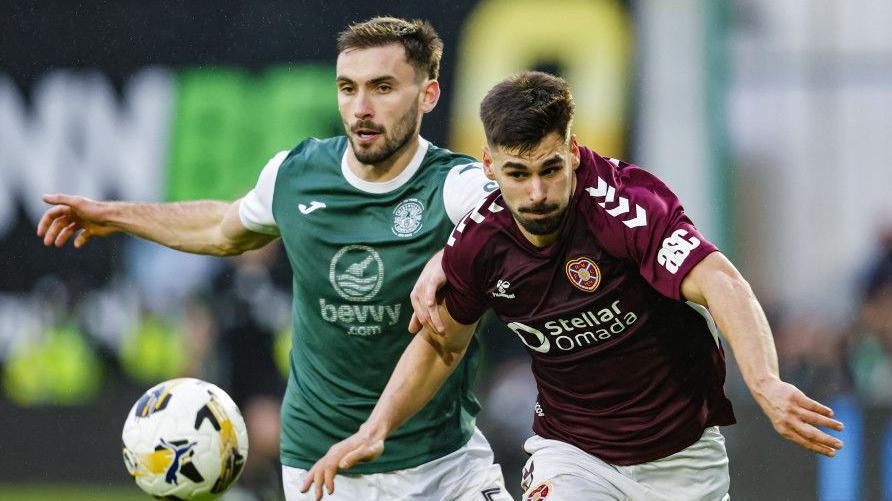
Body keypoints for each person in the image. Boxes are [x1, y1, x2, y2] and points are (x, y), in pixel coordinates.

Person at [302, 71, 845, 500]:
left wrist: (766, 383)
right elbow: (442, 343)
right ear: (489, 167)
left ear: (574, 150)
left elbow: (722, 281)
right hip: (573, 455)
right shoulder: (479, 243)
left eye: (550, 168)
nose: (537, 192)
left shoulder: (628, 206)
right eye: (517, 173)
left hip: (683, 459)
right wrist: (375, 428)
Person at [36, 17, 508, 501]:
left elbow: (532, 214)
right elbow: (221, 229)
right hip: (323, 470)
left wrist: (452, 254)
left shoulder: (455, 186)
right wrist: (114, 215)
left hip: (446, 463)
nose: (361, 108)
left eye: (382, 88)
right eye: (348, 88)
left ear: (427, 95)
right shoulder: (296, 175)